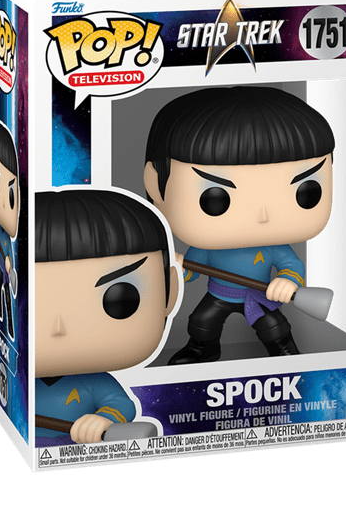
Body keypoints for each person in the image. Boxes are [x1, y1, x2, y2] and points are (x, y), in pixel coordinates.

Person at [144, 86, 335, 364]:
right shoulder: (207, 246)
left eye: (306, 192)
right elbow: (191, 271)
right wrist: (178, 267)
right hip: (218, 294)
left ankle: (286, 355)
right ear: (155, 185)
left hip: (258, 295)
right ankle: (202, 350)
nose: (263, 215)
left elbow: (291, 265)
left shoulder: (273, 246)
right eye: (215, 198)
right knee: (201, 321)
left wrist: (287, 280)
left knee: (274, 328)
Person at [35, 189, 179, 446]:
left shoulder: (93, 381)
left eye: (120, 299)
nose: (59, 328)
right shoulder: (16, 377)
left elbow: (121, 404)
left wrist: (103, 420)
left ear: (170, 294)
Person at [0, 121, 20, 341]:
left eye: (10, 195)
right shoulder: (0, 228)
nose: (0, 203)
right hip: (1, 267)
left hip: (6, 269)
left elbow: (7, 252)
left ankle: (10, 324)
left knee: (7, 292)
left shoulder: (8, 236)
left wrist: (9, 263)